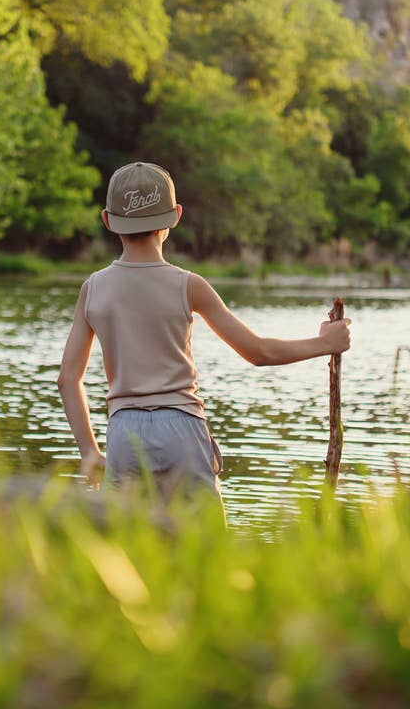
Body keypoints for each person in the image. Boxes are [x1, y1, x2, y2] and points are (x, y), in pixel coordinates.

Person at [56, 162, 352, 509]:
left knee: (128, 546)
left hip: (125, 431)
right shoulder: (188, 285)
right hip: (182, 427)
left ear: (107, 220)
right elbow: (258, 352)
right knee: (204, 548)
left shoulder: (93, 289)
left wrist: (89, 451)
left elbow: (68, 378)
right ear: (176, 216)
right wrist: (325, 344)